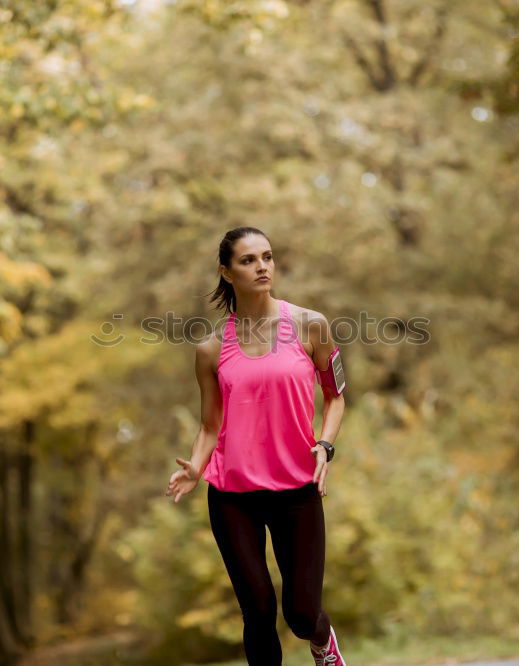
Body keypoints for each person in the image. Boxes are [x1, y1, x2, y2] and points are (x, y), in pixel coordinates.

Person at [165, 227, 348, 666]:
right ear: (226, 273)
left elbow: (336, 396)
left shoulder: (310, 325)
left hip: (297, 489)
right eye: (248, 260)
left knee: (303, 614)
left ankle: (324, 644)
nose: (262, 266)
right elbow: (211, 425)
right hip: (233, 495)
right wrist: (195, 466)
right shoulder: (211, 349)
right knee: (259, 610)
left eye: (267, 256)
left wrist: (325, 444)